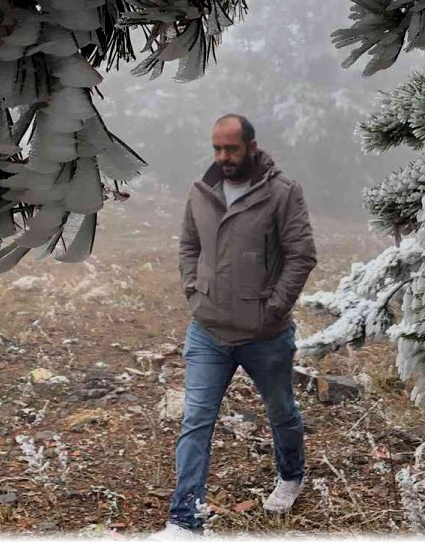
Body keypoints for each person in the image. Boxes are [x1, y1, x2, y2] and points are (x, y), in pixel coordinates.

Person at [160, 113, 317, 535]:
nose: (223, 156)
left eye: (231, 148)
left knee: (282, 411)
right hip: (208, 331)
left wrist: (274, 309)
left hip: (265, 335)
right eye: (217, 148)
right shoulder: (202, 191)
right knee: (195, 420)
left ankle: (290, 477)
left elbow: (302, 254)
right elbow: (188, 246)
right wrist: (194, 291)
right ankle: (184, 519)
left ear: (251, 145)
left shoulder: (282, 193)